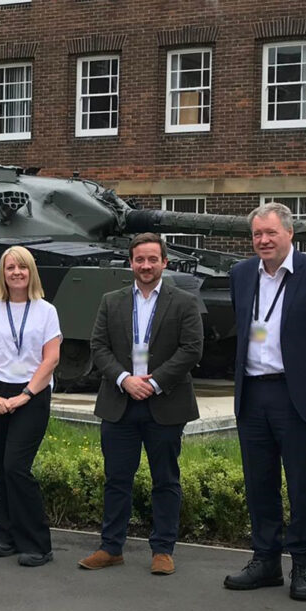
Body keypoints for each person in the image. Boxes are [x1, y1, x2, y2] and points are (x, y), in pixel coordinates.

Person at [222, 202, 306, 601]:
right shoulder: (241, 274)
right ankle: (265, 561)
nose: (263, 241)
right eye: (257, 234)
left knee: (300, 484)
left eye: (271, 233)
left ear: (289, 234)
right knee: (259, 483)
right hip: (253, 392)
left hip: (296, 395)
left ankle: (304, 564)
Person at [80, 233, 203, 575]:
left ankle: (163, 550)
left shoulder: (183, 301)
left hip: (165, 402)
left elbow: (192, 349)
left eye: (152, 259)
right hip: (120, 401)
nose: (145, 266)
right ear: (130, 263)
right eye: (139, 260)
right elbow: (98, 346)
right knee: (117, 479)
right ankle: (111, 547)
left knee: (165, 479)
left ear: (165, 262)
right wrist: (125, 379)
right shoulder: (111, 300)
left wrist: (156, 382)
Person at [0, 246, 61, 567]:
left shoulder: (46, 311)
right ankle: (7, 536)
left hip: (32, 395)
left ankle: (39, 543)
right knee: (2, 468)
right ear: (3, 273)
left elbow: (51, 358)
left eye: (22, 267)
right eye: (10, 267)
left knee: (16, 467)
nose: (16, 273)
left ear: (31, 272)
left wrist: (25, 395)